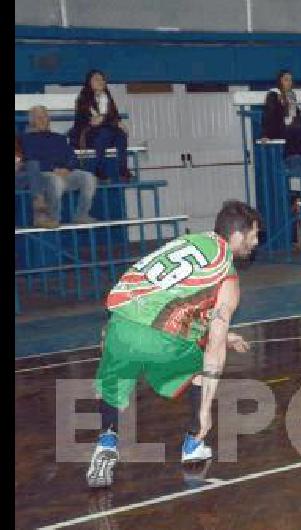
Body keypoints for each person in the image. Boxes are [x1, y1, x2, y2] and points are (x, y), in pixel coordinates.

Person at [86, 200, 261, 488]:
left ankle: (106, 443)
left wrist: (115, 326)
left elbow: (165, 293)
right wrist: (206, 410)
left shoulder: (187, 241)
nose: (256, 242)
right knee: (202, 368)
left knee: (112, 385)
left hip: (120, 322)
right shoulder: (226, 275)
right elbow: (214, 349)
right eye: (254, 235)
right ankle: (194, 442)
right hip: (161, 339)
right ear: (238, 235)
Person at [21, 106, 97, 226]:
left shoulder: (59, 138)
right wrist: (53, 169)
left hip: (65, 173)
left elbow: (72, 157)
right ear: (32, 121)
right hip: (43, 176)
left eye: (44, 116)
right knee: (55, 180)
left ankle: (82, 215)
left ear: (48, 119)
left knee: (88, 177)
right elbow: (30, 160)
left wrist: (67, 168)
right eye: (38, 117)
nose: (41, 119)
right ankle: (53, 218)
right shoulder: (25, 139)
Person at [71, 69, 132, 181]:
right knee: (105, 133)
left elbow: (114, 117)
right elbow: (88, 121)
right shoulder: (83, 100)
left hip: (107, 132)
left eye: (102, 79)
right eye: (96, 79)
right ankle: (100, 169)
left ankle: (123, 169)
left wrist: (112, 121)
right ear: (89, 82)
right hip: (88, 134)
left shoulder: (108, 98)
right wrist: (110, 121)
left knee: (121, 135)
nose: (100, 82)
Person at [261, 69, 299, 141]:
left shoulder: (291, 95)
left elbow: (294, 115)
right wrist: (264, 134)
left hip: (289, 129)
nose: (289, 83)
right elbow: (268, 115)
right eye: (286, 80)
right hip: (276, 129)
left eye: (290, 80)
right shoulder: (273, 95)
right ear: (280, 81)